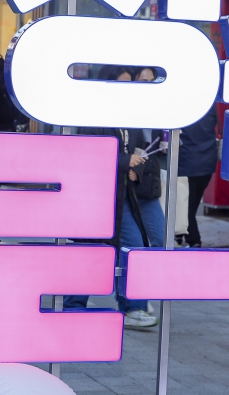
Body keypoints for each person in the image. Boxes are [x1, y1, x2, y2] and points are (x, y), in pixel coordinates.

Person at [63, 65, 161, 330]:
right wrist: (125, 161)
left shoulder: (130, 115)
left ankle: (133, 307)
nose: (127, 90)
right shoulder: (94, 116)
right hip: (95, 199)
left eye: (129, 84)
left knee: (133, 246)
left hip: (122, 197)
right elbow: (89, 155)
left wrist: (135, 168)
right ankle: (74, 307)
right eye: (121, 84)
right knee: (91, 252)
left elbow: (141, 152)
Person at [177, 103, 217, 247]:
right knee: (190, 205)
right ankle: (179, 234)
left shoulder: (180, 107)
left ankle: (193, 240)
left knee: (185, 206)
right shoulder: (210, 106)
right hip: (207, 162)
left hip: (186, 162)